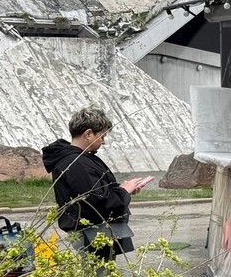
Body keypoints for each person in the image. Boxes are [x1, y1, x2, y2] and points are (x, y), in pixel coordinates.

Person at [42, 107, 153, 261]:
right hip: (91, 232)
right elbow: (98, 200)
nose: (104, 141)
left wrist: (125, 189)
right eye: (102, 136)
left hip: (94, 231)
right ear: (88, 134)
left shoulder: (79, 159)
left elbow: (92, 191)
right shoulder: (76, 163)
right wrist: (123, 192)